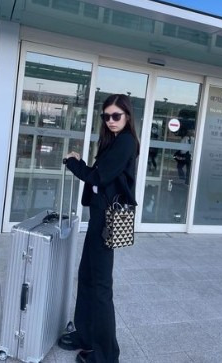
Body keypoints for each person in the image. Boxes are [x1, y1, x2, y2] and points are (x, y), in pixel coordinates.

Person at [58, 94, 140, 363]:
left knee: (101, 287)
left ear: (127, 116)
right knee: (88, 278)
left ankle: (106, 355)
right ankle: (85, 335)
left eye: (116, 115)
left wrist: (73, 163)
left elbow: (98, 176)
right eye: (106, 116)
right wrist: (87, 169)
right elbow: (99, 176)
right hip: (98, 217)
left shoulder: (126, 141)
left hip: (107, 220)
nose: (111, 120)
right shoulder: (113, 141)